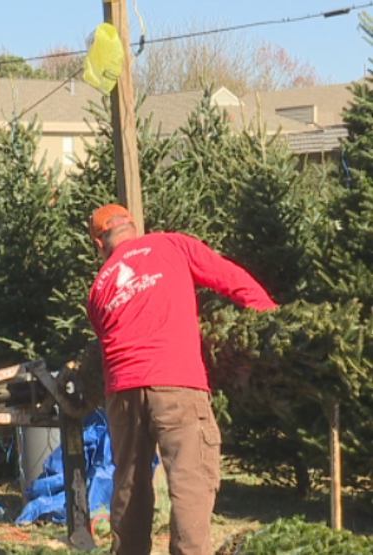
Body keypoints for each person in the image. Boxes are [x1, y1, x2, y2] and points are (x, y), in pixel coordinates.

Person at [85, 204, 277, 555]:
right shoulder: (171, 244)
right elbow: (228, 277)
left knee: (129, 484)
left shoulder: (100, 285)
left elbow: (104, 336)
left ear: (99, 244)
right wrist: (272, 319)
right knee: (191, 479)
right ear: (133, 227)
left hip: (122, 391)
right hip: (175, 381)